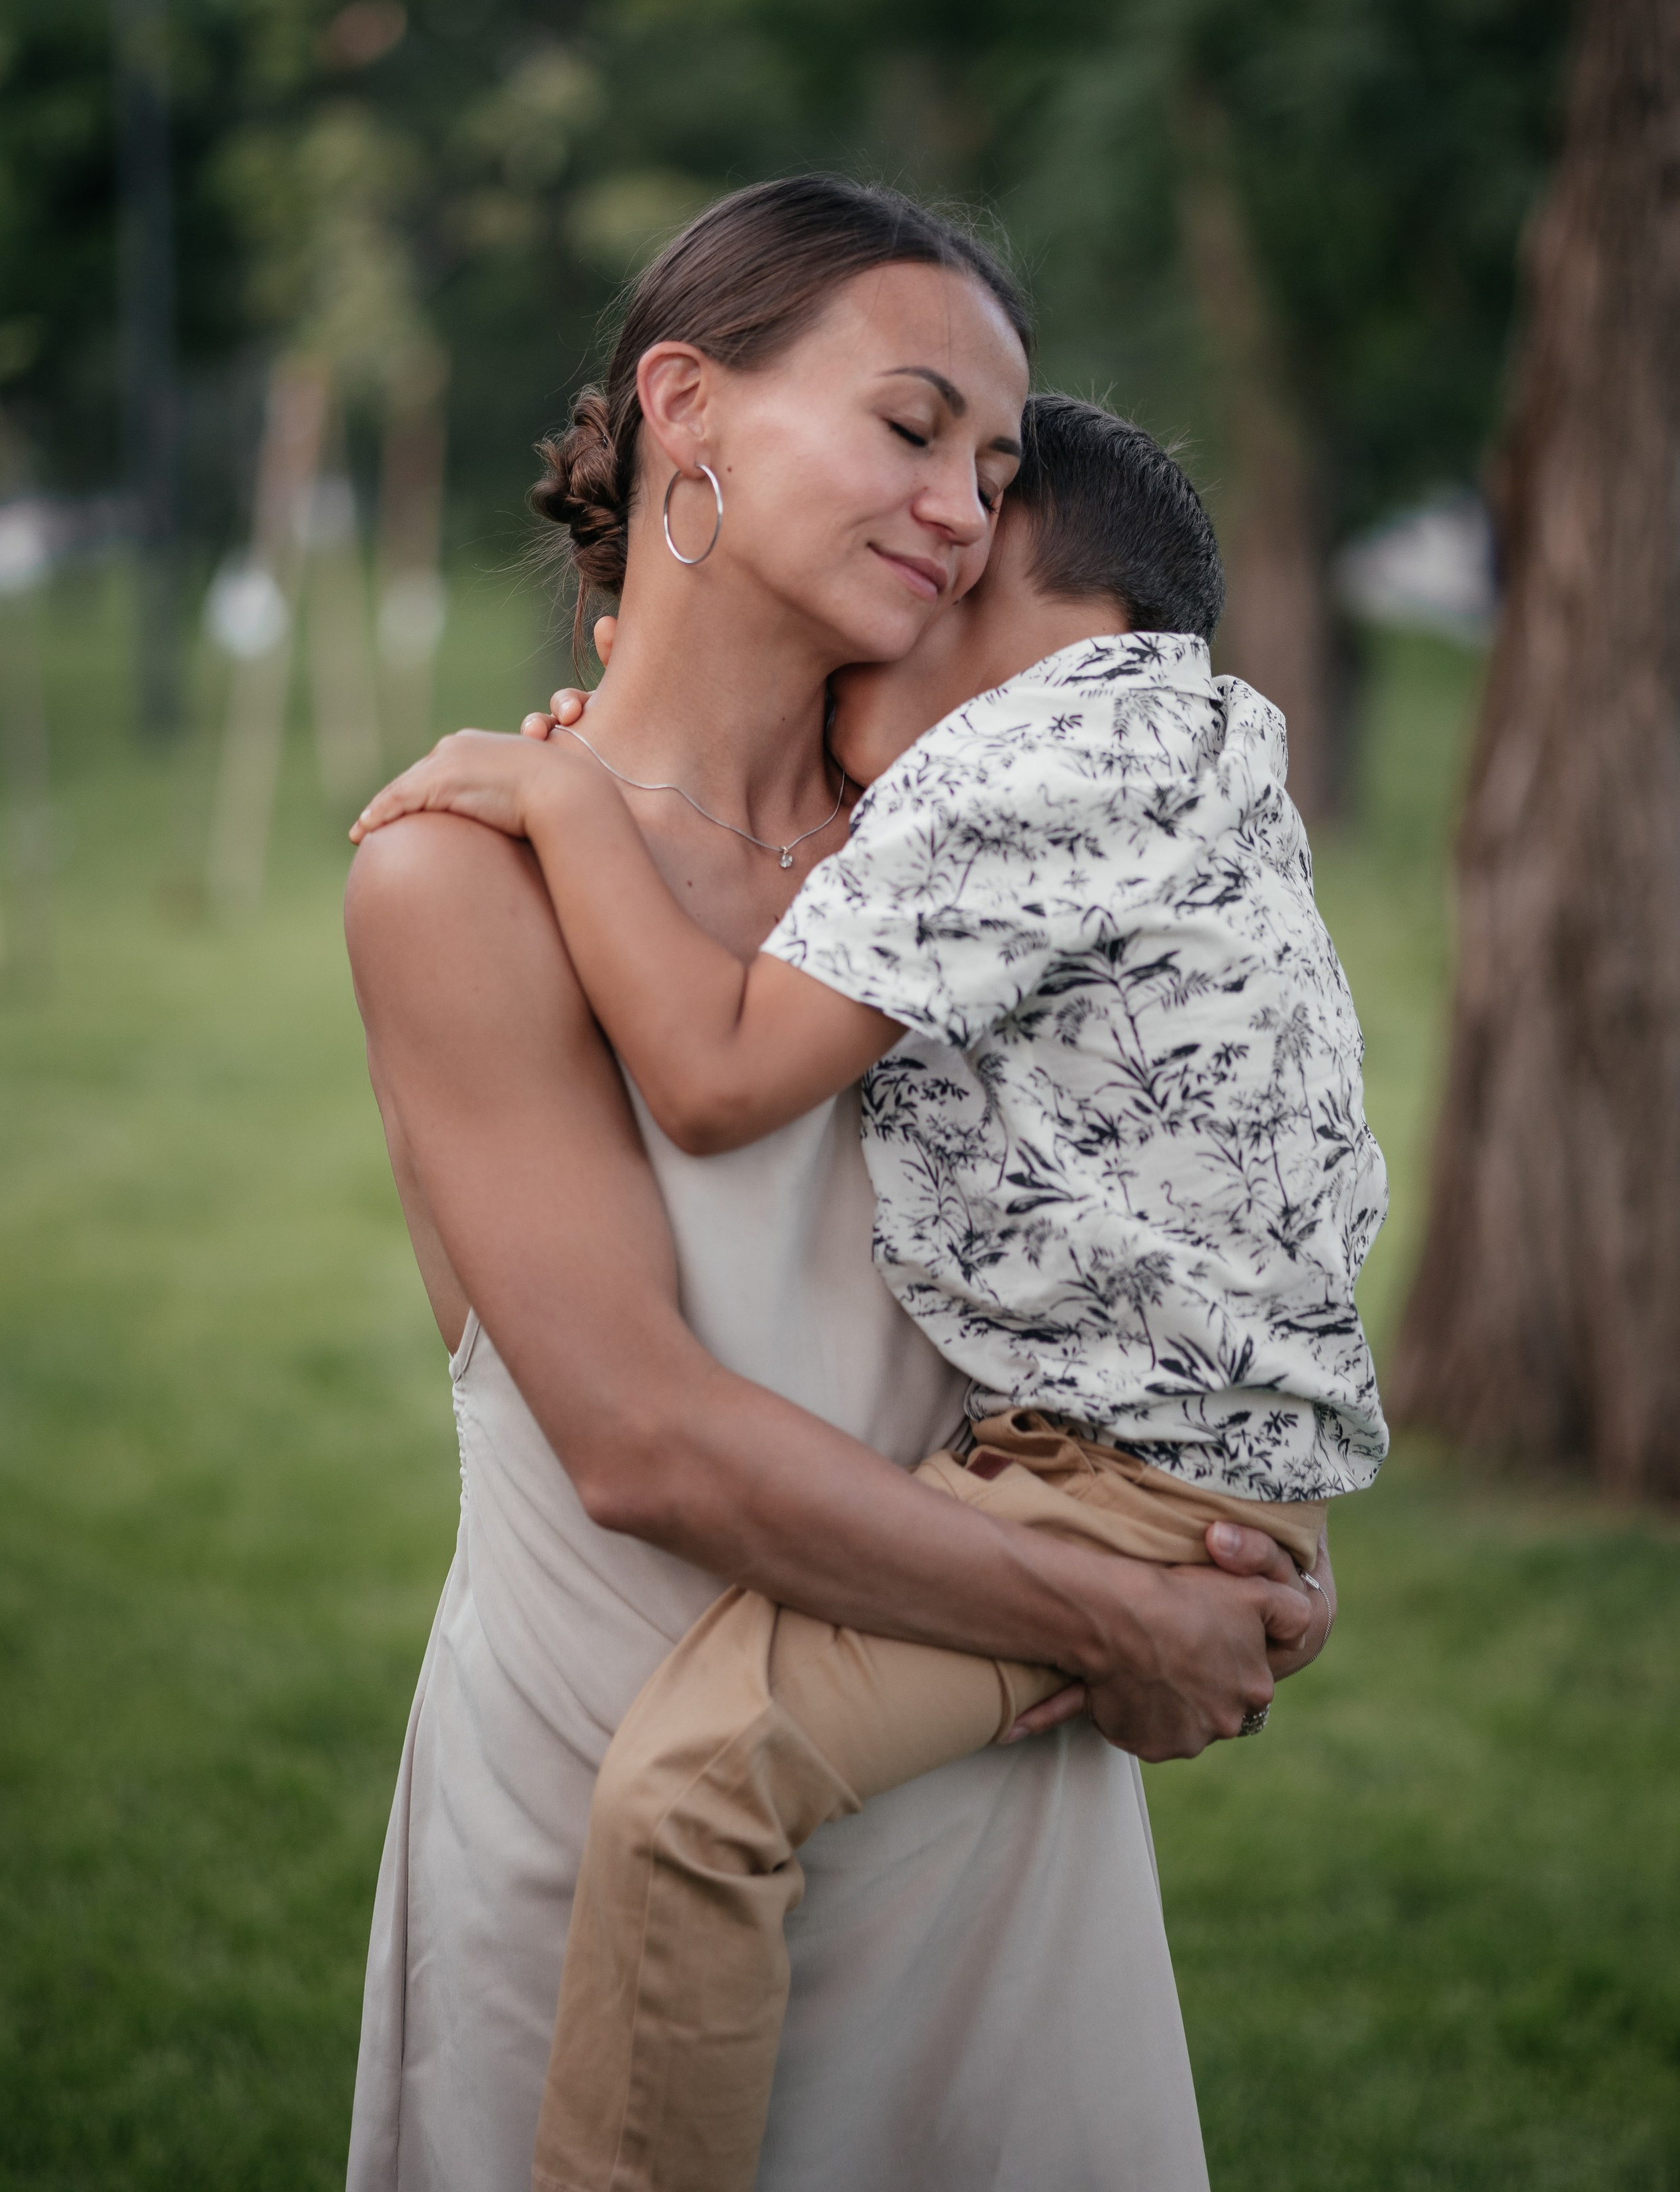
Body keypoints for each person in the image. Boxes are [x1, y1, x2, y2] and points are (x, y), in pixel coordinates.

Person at [341, 177, 1331, 2192]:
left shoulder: (978, 863)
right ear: (687, 408)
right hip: (621, 1800)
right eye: (910, 428)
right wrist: (1124, 1620)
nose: (966, 505)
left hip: (982, 1814)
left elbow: (1193, 1212)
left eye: (992, 465)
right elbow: (644, 1447)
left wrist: (1231, 1533)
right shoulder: (468, 866)